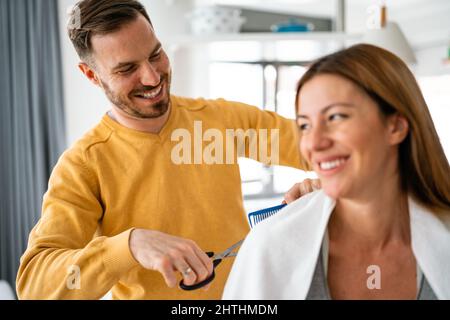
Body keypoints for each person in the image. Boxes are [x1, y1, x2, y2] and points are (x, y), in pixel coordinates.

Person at [16, 0, 316, 299]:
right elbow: (36, 288)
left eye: (155, 54)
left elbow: (334, 149)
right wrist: (129, 246)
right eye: (127, 69)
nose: (152, 77)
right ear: (92, 76)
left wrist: (324, 184)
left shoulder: (222, 120)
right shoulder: (84, 165)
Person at [223, 44, 450, 300]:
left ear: (395, 126)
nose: (314, 143)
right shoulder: (269, 247)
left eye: (336, 117)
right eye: (305, 125)